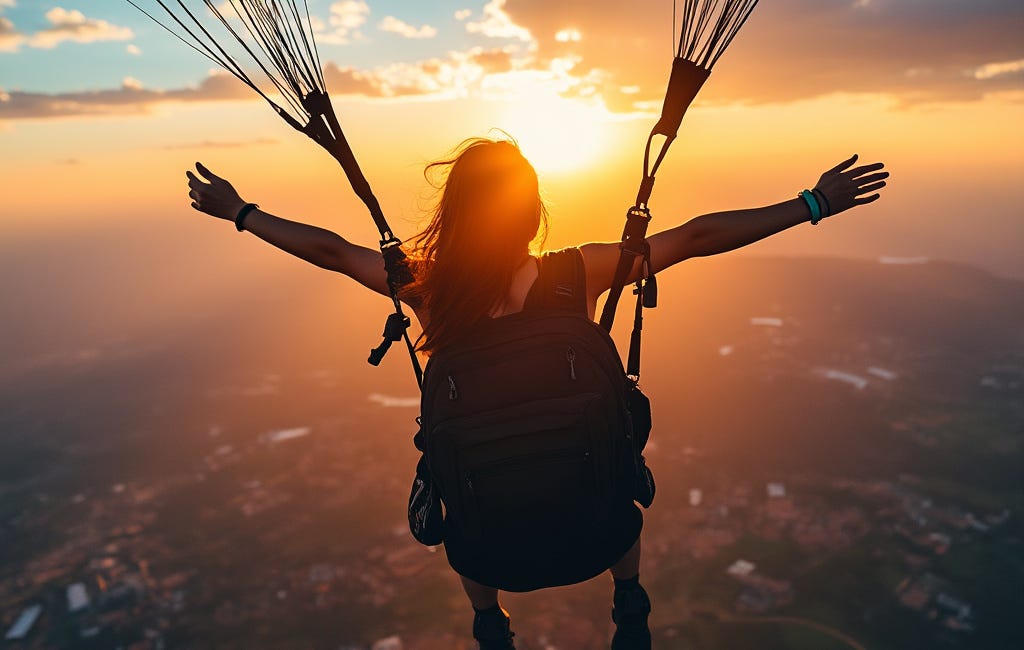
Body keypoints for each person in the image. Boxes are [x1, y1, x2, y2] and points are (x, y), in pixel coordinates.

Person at [185, 137, 888, 649]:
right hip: (597, 535)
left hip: (492, 555)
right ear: (530, 213)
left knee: (453, 472)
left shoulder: (432, 288)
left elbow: (335, 252)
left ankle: (488, 619)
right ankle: (628, 595)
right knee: (614, 450)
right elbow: (696, 237)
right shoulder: (575, 275)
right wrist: (812, 203)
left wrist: (241, 212)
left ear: (457, 214)